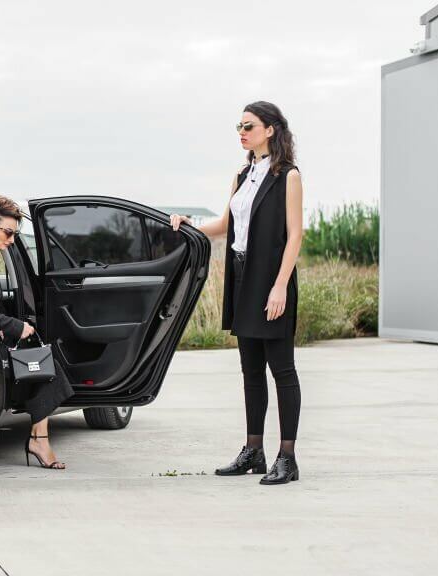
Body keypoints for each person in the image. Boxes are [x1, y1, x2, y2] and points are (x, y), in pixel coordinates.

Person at [171, 101, 304, 485]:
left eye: (248, 126)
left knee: (282, 371)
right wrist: (189, 226)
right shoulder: (243, 175)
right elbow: (227, 224)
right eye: (239, 126)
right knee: (250, 372)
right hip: (242, 276)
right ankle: (254, 451)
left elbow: (295, 234)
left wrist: (280, 285)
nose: (242, 132)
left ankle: (288, 457)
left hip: (271, 279)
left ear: (270, 130)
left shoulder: (287, 175)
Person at [0, 195, 74, 469]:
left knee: (42, 363)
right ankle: (39, 439)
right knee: (47, 367)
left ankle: (38, 437)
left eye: (15, 233)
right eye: (8, 232)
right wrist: (17, 326)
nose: (11, 239)